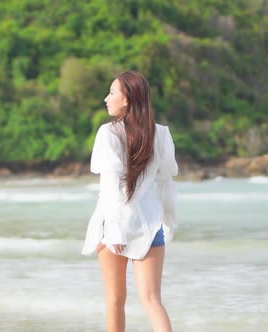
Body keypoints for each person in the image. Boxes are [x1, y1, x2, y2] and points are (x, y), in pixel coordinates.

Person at [81, 70, 178, 332]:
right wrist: (168, 221)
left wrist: (115, 230)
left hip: (114, 227)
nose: (106, 98)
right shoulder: (161, 134)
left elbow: (112, 187)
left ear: (127, 100)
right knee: (152, 301)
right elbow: (165, 182)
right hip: (150, 224)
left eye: (112, 92)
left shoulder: (108, 133)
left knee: (115, 301)